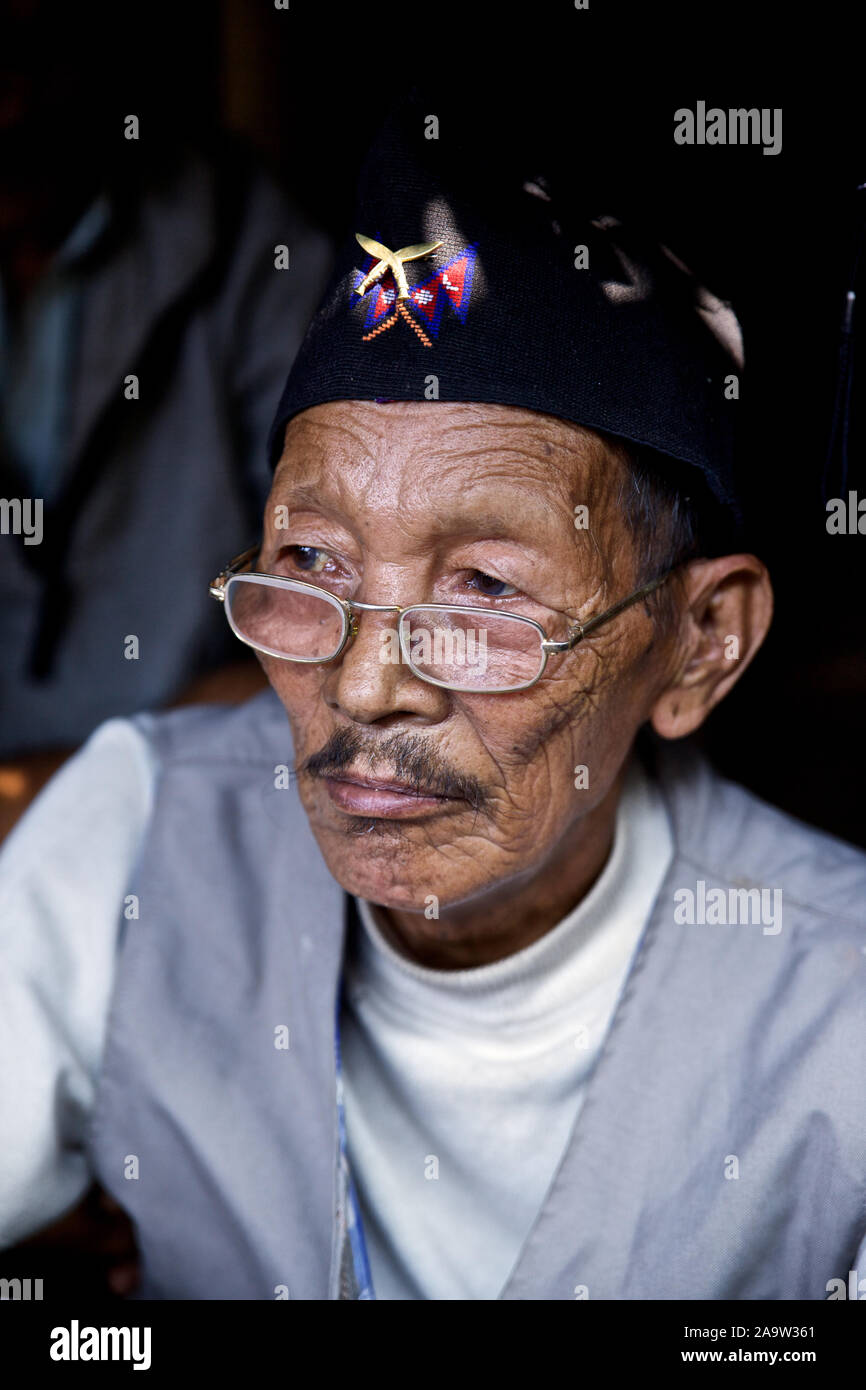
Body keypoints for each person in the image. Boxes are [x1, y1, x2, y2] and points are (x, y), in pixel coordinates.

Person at [1, 97, 864, 1302]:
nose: (362, 683)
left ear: (700, 643)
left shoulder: (838, 1006)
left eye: (483, 588)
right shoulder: (135, 833)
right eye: (311, 563)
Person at [0, 4, 333, 834]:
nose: (9, 107)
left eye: (27, 54)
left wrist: (80, 790)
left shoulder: (248, 245)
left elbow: (332, 600)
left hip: (186, 794)